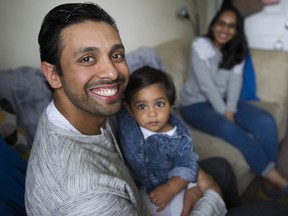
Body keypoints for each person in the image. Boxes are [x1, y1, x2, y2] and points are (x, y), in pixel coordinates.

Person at [24, 3, 226, 216]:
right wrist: (212, 195)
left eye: (116, 55)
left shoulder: (88, 109)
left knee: (221, 167)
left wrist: (189, 177)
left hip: (148, 190)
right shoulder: (89, 199)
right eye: (87, 59)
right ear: (53, 74)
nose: (112, 72)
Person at [179, 5, 288, 198]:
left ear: (237, 31)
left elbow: (235, 85)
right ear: (213, 26)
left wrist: (230, 110)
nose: (225, 29)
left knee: (265, 121)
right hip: (195, 105)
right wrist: (225, 114)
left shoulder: (237, 50)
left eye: (231, 26)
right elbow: (207, 86)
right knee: (233, 131)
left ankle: (266, 177)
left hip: (222, 101)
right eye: (221, 23)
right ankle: (280, 182)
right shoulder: (199, 44)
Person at [117, 66, 219, 215]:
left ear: (171, 104)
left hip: (170, 186)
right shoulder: (127, 123)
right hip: (139, 189)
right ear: (129, 110)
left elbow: (187, 166)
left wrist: (171, 188)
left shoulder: (179, 138)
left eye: (159, 104)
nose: (152, 113)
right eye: (142, 106)